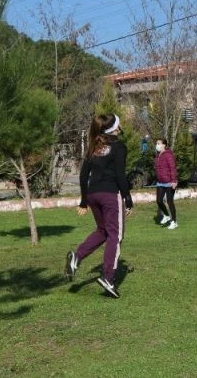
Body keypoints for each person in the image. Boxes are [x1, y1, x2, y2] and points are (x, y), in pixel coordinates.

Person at [65, 114, 133, 298]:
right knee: (115, 236)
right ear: (116, 128)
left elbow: (82, 176)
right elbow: (120, 175)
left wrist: (84, 200)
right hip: (110, 195)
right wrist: (127, 197)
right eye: (120, 124)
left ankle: (77, 257)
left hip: (94, 194)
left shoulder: (94, 147)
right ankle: (108, 278)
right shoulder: (119, 147)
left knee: (103, 231)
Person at [154, 138, 179, 230]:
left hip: (169, 182)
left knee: (170, 202)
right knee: (159, 201)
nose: (157, 145)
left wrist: (173, 181)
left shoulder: (168, 155)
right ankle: (167, 215)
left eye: (159, 143)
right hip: (160, 182)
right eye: (157, 143)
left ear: (164, 145)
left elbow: (172, 168)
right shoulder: (157, 155)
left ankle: (174, 221)